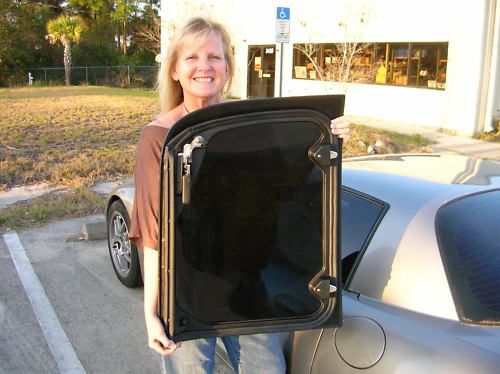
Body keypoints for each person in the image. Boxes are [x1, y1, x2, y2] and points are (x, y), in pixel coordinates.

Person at [129, 17, 351, 374]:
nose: (204, 66)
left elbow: (289, 187)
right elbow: (153, 235)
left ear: (228, 68)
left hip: (248, 286)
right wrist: (152, 313)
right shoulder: (159, 137)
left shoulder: (253, 127)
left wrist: (328, 138)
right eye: (192, 57)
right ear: (174, 70)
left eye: (214, 57)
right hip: (186, 295)